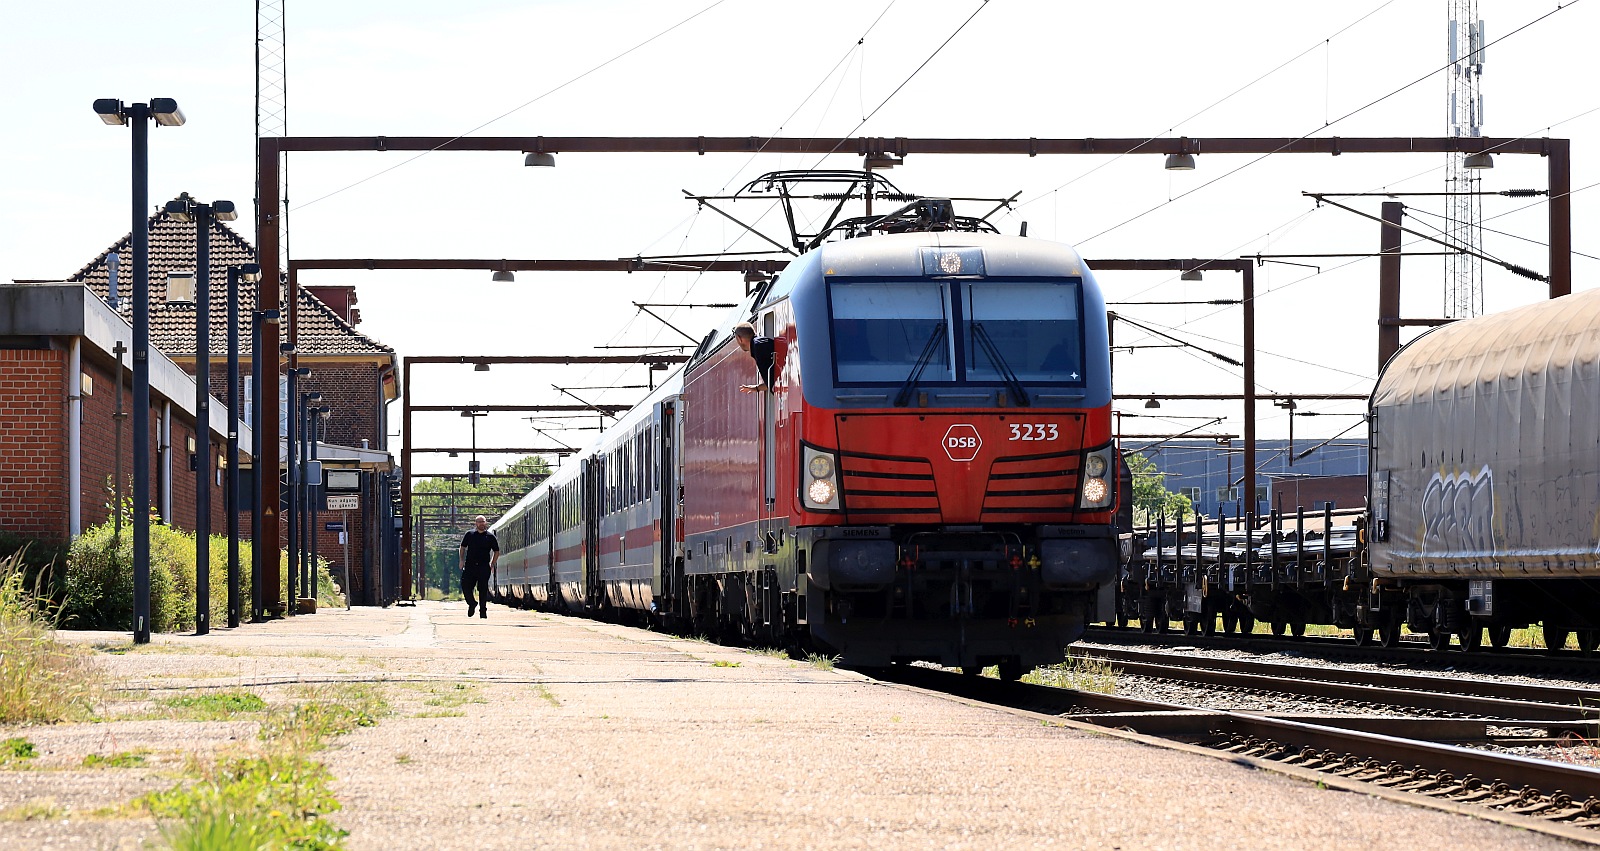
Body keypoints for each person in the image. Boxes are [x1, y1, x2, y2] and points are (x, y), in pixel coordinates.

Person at [458, 514, 499, 619]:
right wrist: (461, 560)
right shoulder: (469, 534)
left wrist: (492, 563)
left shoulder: (490, 537)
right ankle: (472, 603)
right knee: (465, 586)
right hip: (470, 566)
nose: (482, 524)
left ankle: (483, 611)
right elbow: (462, 547)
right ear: (476, 523)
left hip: (484, 566)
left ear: (485, 523)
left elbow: (496, 551)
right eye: (479, 522)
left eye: (483, 522)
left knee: (483, 589)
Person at [732, 322, 776, 393]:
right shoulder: (759, 344)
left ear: (739, 338)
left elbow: (774, 383)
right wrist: (755, 388)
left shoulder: (758, 348)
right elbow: (771, 381)